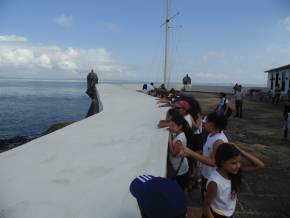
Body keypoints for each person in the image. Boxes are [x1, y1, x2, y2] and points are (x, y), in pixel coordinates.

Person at [203, 143, 264, 218]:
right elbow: (206, 208)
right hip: (217, 214)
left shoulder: (233, 172)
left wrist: (240, 151)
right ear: (222, 162)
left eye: (239, 162)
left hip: (228, 213)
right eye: (233, 163)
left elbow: (260, 165)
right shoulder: (214, 182)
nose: (238, 165)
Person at [179, 112, 228, 199]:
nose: (203, 123)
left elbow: (213, 162)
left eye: (206, 121)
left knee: (208, 199)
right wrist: (190, 154)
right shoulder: (211, 134)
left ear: (212, 124)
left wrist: (191, 153)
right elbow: (206, 151)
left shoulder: (219, 141)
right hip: (206, 173)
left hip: (212, 177)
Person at [168, 112, 193, 190]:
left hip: (180, 169)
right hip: (181, 166)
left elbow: (173, 154)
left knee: (180, 188)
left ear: (180, 127)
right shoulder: (179, 134)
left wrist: (170, 141)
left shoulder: (179, 139)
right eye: (170, 125)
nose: (170, 127)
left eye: (173, 126)